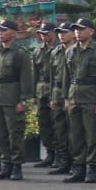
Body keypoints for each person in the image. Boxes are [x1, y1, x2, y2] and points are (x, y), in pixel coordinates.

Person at [64, 17, 96, 184]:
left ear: (91, 31)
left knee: (91, 136)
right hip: (74, 96)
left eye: (81, 29)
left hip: (91, 97)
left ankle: (92, 168)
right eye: (76, 29)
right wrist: (66, 97)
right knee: (75, 136)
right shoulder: (70, 51)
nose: (77, 32)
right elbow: (66, 77)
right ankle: (79, 167)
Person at [0, 19, 33, 180]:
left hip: (13, 97)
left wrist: (23, 100)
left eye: (4, 30)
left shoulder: (20, 53)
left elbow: (26, 78)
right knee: (0, 133)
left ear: (13, 33)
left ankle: (16, 166)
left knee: (15, 133)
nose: (0, 33)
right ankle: (5, 164)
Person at [47, 22, 75, 176]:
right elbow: (52, 77)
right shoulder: (55, 52)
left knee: (74, 131)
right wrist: (52, 96)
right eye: (59, 32)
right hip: (57, 94)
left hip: (73, 94)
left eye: (65, 32)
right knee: (60, 130)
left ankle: (76, 161)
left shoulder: (76, 51)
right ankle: (65, 161)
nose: (61, 35)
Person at [32, 22, 58, 169]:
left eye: (46, 33)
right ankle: (50, 153)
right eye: (41, 33)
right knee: (44, 123)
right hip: (42, 90)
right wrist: (33, 94)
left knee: (57, 124)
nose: (44, 36)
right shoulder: (38, 51)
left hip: (54, 89)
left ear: (53, 32)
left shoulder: (59, 49)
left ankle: (60, 154)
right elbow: (34, 72)